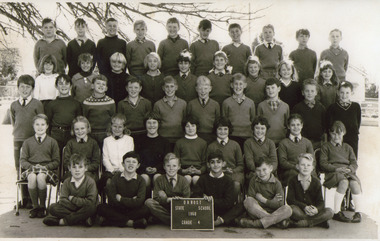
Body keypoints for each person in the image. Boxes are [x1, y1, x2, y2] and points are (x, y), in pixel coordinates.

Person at [10, 75, 44, 208]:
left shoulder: (37, 104)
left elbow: (41, 120)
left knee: (31, 168)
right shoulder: (13, 105)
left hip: (32, 141)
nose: (24, 90)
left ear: (32, 89)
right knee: (19, 168)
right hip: (18, 140)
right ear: (18, 88)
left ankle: (32, 199)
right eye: (22, 87)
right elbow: (14, 122)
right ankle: (23, 198)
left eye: (28, 87)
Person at [319, 121, 362, 223]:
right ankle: (337, 212)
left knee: (355, 183)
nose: (336, 136)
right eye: (333, 133)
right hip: (333, 173)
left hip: (347, 172)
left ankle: (358, 212)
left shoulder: (348, 147)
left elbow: (354, 163)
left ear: (344, 133)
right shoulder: (326, 147)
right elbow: (323, 164)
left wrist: (350, 169)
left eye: (339, 133)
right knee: (344, 182)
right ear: (329, 133)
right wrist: (336, 169)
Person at [20, 114, 60, 218]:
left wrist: (46, 167)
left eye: (43, 124)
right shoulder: (27, 142)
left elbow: (56, 161)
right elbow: (22, 160)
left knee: (41, 177)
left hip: (46, 169)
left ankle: (42, 207)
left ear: (47, 126)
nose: (40, 127)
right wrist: (31, 167)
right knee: (32, 177)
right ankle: (35, 207)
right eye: (37, 124)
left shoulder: (52, 142)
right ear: (33, 126)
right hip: (31, 169)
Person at [97, 151, 150, 228]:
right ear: (123, 164)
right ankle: (131, 223)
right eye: (128, 161)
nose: (131, 164)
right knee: (101, 208)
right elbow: (113, 199)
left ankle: (111, 221)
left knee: (145, 209)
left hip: (133, 210)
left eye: (134, 162)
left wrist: (121, 199)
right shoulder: (115, 178)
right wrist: (131, 200)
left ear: (138, 165)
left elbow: (139, 201)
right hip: (117, 209)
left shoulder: (141, 180)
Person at [43, 153, 97, 226]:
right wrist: (78, 207)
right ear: (69, 168)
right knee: (52, 207)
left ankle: (63, 221)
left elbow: (90, 202)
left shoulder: (90, 182)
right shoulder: (67, 182)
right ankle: (81, 219)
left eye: (80, 167)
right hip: (74, 209)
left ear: (86, 168)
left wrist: (73, 199)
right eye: (74, 167)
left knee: (92, 208)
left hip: (84, 208)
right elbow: (63, 200)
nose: (77, 170)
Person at [193, 150, 245, 227]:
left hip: (224, 211)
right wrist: (204, 198)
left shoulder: (228, 180)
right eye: (212, 162)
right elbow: (195, 196)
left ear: (223, 164)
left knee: (242, 205)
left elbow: (228, 202)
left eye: (218, 162)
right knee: (196, 206)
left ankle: (219, 221)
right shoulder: (203, 179)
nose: (215, 165)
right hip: (208, 210)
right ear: (208, 164)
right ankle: (223, 220)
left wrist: (212, 200)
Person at [238, 156, 292, 229]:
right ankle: (274, 222)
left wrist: (263, 200)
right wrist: (272, 202)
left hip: (275, 211)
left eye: (264, 169)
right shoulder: (253, 181)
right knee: (247, 201)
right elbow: (251, 200)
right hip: (258, 212)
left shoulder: (276, 183)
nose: (261, 173)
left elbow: (280, 204)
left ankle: (257, 223)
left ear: (270, 168)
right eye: (258, 170)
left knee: (288, 209)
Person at [287, 153, 333, 228]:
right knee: (292, 209)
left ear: (312, 168)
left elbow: (320, 202)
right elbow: (290, 200)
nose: (305, 167)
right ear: (297, 166)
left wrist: (317, 209)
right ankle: (318, 222)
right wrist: (304, 207)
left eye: (308, 165)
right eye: (302, 165)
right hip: (300, 210)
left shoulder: (316, 182)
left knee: (330, 212)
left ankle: (305, 223)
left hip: (313, 212)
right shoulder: (293, 180)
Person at [145, 153, 191, 225]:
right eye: (168, 166)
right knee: (149, 202)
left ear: (179, 167)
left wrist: (180, 200)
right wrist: (167, 199)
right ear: (164, 167)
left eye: (174, 166)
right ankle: (175, 221)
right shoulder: (159, 179)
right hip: (164, 208)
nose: (171, 168)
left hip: (179, 208)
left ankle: (164, 220)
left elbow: (187, 198)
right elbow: (155, 197)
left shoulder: (183, 180)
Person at [206, 117, 244, 200]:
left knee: (236, 184)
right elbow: (207, 166)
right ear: (215, 130)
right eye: (220, 129)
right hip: (216, 173)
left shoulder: (235, 145)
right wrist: (219, 171)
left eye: (225, 129)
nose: (222, 132)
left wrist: (233, 171)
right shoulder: (211, 146)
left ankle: (233, 204)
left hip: (232, 174)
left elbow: (241, 165)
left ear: (229, 130)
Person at [45, 74, 82, 154]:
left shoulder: (76, 104)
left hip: (71, 134)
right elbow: (47, 123)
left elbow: (79, 122)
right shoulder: (51, 104)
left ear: (71, 86)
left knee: (70, 158)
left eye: (66, 84)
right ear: (56, 86)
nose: (64, 86)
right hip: (56, 134)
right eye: (61, 84)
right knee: (56, 157)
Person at [134, 112, 171, 192]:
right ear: (145, 124)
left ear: (158, 124)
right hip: (143, 170)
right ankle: (145, 201)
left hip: (159, 170)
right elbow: (137, 158)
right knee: (145, 178)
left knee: (157, 178)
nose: (151, 125)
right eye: (149, 123)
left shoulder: (165, 142)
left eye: (154, 122)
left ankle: (157, 201)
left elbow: (166, 160)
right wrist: (145, 168)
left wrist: (156, 168)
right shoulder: (139, 140)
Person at [99, 114, 134, 192]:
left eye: (120, 127)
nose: (117, 129)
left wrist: (122, 169)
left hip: (126, 170)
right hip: (111, 171)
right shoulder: (107, 140)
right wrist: (112, 170)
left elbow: (130, 157)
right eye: (115, 126)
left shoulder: (129, 140)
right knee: (108, 182)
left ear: (124, 127)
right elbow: (105, 159)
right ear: (111, 126)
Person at [326, 81, 361, 157]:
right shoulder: (332, 107)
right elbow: (329, 125)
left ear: (352, 93)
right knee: (338, 160)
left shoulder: (356, 107)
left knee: (352, 160)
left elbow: (357, 123)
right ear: (338, 93)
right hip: (337, 139)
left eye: (347, 93)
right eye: (342, 92)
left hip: (352, 139)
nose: (344, 95)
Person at [277, 114, 314, 187]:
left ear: (302, 125)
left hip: (306, 169)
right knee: (294, 176)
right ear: (288, 126)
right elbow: (283, 162)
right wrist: (296, 167)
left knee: (313, 178)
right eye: (293, 125)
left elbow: (313, 160)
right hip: (290, 171)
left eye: (298, 124)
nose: (296, 127)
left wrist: (306, 168)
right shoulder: (283, 143)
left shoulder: (307, 142)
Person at [222, 73, 255, 148]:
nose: (238, 86)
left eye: (241, 84)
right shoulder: (226, 102)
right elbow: (224, 121)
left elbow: (252, 120)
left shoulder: (250, 103)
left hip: (247, 136)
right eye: (236, 84)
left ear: (245, 85)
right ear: (231, 85)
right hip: (231, 136)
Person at [62, 116, 100, 181]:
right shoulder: (70, 143)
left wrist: (83, 169)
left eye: (82, 128)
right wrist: (76, 169)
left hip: (88, 172)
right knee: (69, 179)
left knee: (87, 180)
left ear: (88, 128)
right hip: (73, 172)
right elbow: (66, 162)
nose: (80, 131)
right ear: (73, 130)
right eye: (77, 129)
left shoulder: (93, 143)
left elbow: (96, 163)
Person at [82, 74, 116, 148]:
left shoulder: (110, 102)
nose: (101, 86)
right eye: (98, 83)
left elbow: (113, 118)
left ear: (106, 88)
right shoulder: (87, 102)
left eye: (103, 84)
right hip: (91, 133)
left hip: (106, 133)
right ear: (92, 86)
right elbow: (85, 118)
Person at [292, 78, 326, 149]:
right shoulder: (297, 108)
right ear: (302, 92)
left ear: (316, 92)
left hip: (318, 142)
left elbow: (324, 126)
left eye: (312, 91)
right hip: (302, 142)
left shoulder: (321, 108)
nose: (309, 93)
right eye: (307, 91)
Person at [153, 76, 187, 145]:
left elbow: (185, 121)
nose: (169, 89)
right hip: (163, 138)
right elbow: (156, 123)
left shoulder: (183, 103)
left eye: (172, 86)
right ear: (163, 88)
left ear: (176, 87)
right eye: (167, 86)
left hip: (179, 137)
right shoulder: (158, 104)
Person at [186, 75, 220, 144]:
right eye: (200, 88)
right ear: (196, 89)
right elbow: (188, 120)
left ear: (210, 89)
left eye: (205, 88)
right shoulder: (191, 104)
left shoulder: (215, 104)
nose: (203, 91)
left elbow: (217, 121)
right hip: (195, 135)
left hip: (210, 136)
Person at [174, 116, 207, 185]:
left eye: (193, 125)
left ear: (196, 127)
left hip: (198, 171)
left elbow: (205, 162)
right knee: (187, 178)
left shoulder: (203, 143)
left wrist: (199, 171)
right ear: (184, 128)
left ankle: (196, 195)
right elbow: (176, 162)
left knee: (196, 179)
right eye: (187, 126)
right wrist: (183, 171)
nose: (190, 128)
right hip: (183, 171)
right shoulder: (179, 143)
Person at [118, 77, 152, 144]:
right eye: (130, 87)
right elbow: (120, 121)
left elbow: (149, 120)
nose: (133, 90)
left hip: (144, 134)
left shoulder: (146, 103)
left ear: (140, 88)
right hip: (127, 134)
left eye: (136, 87)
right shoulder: (121, 104)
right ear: (126, 88)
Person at [257, 77, 289, 145]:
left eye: (273, 87)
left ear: (279, 89)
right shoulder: (261, 106)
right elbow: (258, 124)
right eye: (268, 88)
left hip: (281, 140)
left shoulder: (285, 106)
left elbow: (287, 124)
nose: (270, 90)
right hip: (266, 141)